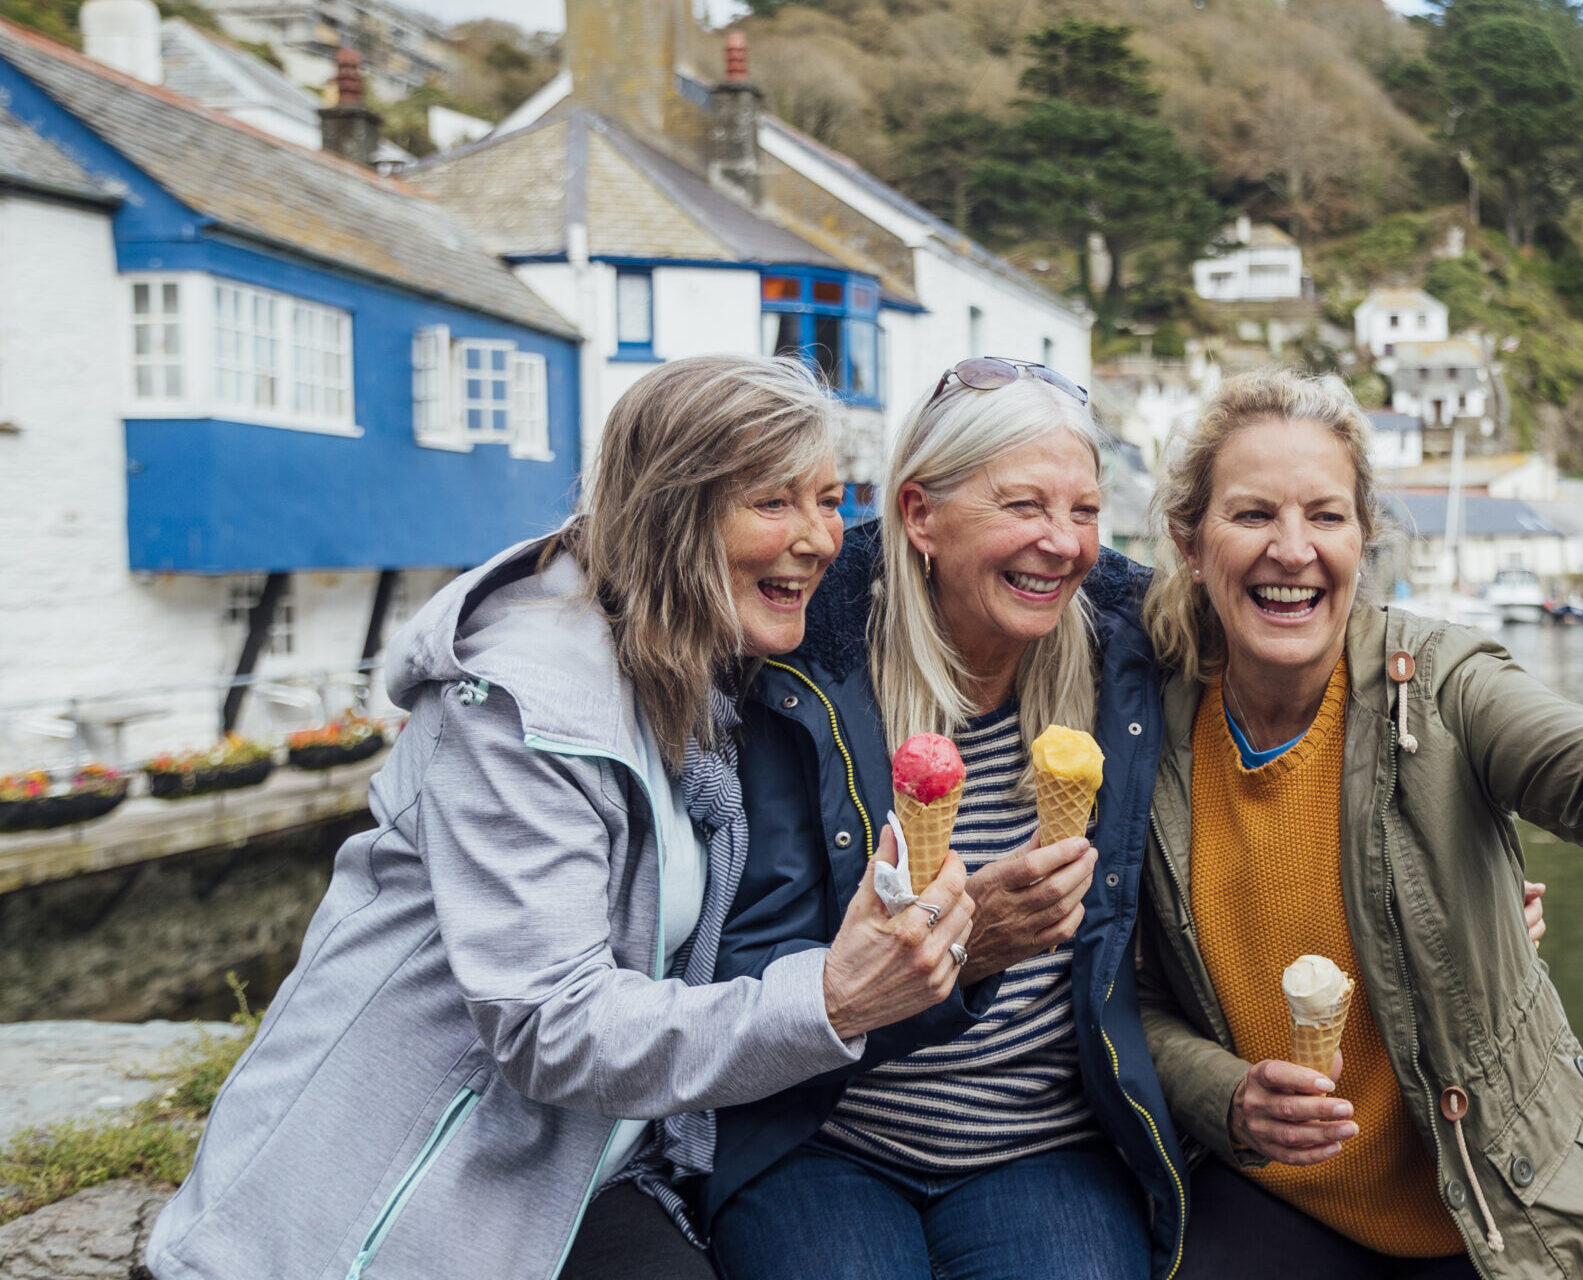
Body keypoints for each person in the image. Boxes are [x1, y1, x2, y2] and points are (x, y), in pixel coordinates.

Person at [145, 356, 977, 1280]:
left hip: (578, 1167)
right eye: (773, 503)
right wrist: (833, 1000)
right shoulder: (523, 706)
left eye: (830, 499)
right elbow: (551, 1024)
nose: (821, 538)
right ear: (671, 515)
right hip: (384, 1204)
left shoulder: (691, 678)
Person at [1135, 369, 1583, 1279]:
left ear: (1365, 536)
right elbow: (1137, 995)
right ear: (1192, 543)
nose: (1293, 549)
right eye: (1254, 515)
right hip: (1275, 1198)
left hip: (1497, 1213)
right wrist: (1224, 1097)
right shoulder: (1150, 722)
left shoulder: (1442, 682)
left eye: (1327, 515)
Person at [706, 356, 1185, 1280]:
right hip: (823, 1132)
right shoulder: (804, 673)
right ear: (920, 514)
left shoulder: (1128, 656)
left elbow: (1303, 672)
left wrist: (1459, 870)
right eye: (1023, 506)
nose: (1062, 542)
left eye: (1084, 512)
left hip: (1046, 1137)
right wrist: (962, 953)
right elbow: (743, 961)